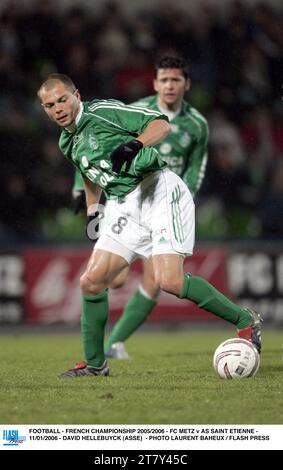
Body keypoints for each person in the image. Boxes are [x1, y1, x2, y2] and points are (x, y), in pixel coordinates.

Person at [38, 72, 262, 379]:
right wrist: (93, 210)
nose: (58, 108)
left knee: (168, 281)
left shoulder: (102, 112)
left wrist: (135, 144)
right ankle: (94, 364)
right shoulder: (67, 141)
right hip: (123, 205)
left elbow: (161, 124)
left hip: (157, 190)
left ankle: (245, 321)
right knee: (91, 282)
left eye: (62, 99)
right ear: (45, 109)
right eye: (50, 105)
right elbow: (89, 173)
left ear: (76, 95)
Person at [104, 55, 209, 359]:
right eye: (164, 79)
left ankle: (115, 343)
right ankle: (111, 339)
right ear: (155, 84)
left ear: (186, 84)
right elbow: (106, 148)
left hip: (164, 205)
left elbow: (195, 168)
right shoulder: (139, 111)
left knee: (156, 281)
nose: (169, 85)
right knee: (116, 277)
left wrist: (181, 200)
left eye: (175, 79)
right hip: (130, 200)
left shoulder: (197, 125)